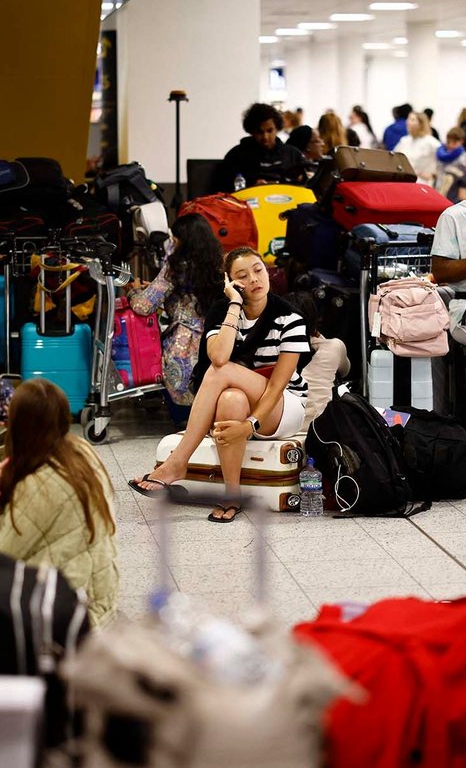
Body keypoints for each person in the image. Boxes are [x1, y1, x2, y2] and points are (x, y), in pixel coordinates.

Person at [128, 246, 311, 522]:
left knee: (220, 373)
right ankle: (232, 495)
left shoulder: (290, 318)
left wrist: (249, 425)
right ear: (231, 283)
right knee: (230, 399)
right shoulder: (222, 311)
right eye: (243, 276)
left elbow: (274, 387)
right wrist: (234, 305)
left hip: (283, 406)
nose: (254, 279)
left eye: (258, 270)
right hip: (243, 399)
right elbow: (219, 354)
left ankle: (177, 462)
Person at [0, 379, 118, 629]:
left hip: (70, 616)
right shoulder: (80, 451)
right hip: (99, 596)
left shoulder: (39, 486)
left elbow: (5, 554)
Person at [126, 213, 224, 425]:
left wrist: (134, 291)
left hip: (184, 345)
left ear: (184, 239)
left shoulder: (177, 265)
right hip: (216, 341)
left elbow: (144, 306)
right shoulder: (219, 264)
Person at [283, 290, 350, 430]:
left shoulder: (273, 350)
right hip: (323, 429)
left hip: (285, 427)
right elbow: (345, 370)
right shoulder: (334, 347)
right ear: (315, 319)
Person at [220, 103, 305, 191]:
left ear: (277, 129)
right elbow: (224, 187)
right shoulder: (236, 156)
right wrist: (251, 186)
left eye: (270, 131)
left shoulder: (292, 154)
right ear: (251, 131)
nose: (265, 137)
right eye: (259, 132)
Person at [394, 111, 440, 185]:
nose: (408, 122)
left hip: (423, 183)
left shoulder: (431, 142)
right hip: (403, 181)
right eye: (408, 119)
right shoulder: (404, 140)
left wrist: (434, 175)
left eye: (412, 120)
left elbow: (444, 160)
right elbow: (394, 157)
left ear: (421, 124)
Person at [436, 127, 466, 203]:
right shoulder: (441, 153)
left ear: (461, 141)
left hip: (452, 191)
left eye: (454, 143)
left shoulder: (463, 157)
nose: (451, 145)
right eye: (449, 142)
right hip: (438, 186)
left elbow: (463, 176)